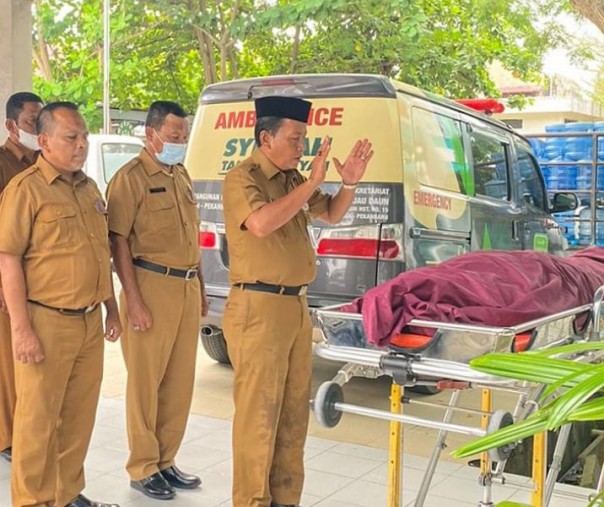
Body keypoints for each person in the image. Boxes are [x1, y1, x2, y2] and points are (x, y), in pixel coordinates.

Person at [222, 95, 373, 507]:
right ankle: (252, 500)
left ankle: (284, 499)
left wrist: (350, 182)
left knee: (292, 415)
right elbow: (260, 223)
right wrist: (311, 180)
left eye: (304, 138)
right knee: (258, 418)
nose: (302, 147)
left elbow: (332, 213)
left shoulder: (292, 179)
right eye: (295, 138)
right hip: (258, 308)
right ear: (266, 137)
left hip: (294, 308)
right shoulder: (243, 178)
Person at [0, 101, 122, 507]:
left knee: (78, 419)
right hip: (46, 322)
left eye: (84, 136)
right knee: (36, 424)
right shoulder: (26, 189)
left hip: (88, 323)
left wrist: (112, 309)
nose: (82, 145)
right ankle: (32, 501)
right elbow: (8, 258)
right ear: (46, 140)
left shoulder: (89, 189)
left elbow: (98, 253)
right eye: (72, 137)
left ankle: (67, 496)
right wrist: (21, 330)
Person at [106, 100, 208, 501]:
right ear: (150, 134)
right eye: (173, 136)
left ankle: (166, 460)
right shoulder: (129, 178)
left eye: (183, 136)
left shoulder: (181, 175)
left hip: (184, 287)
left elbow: (191, 238)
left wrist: (198, 283)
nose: (179, 142)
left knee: (180, 381)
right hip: (149, 286)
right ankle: (143, 466)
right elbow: (117, 242)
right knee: (145, 384)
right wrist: (133, 300)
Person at [0, 91, 44, 463]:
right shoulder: (2, 164)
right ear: (11, 125)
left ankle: (30, 429)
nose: (36, 129)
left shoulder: (44, 165)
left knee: (32, 362)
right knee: (9, 364)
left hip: (42, 283)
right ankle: (9, 437)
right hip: (7, 280)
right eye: (32, 122)